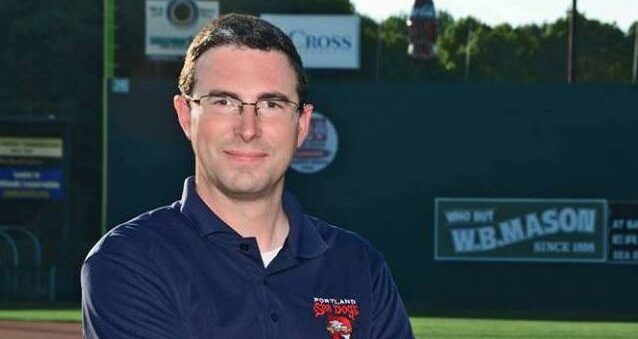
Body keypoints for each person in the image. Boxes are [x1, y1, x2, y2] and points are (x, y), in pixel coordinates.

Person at [81, 13, 414, 339]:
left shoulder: (359, 265)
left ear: (301, 125)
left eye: (271, 104)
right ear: (186, 116)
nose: (248, 129)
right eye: (224, 101)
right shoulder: (129, 261)